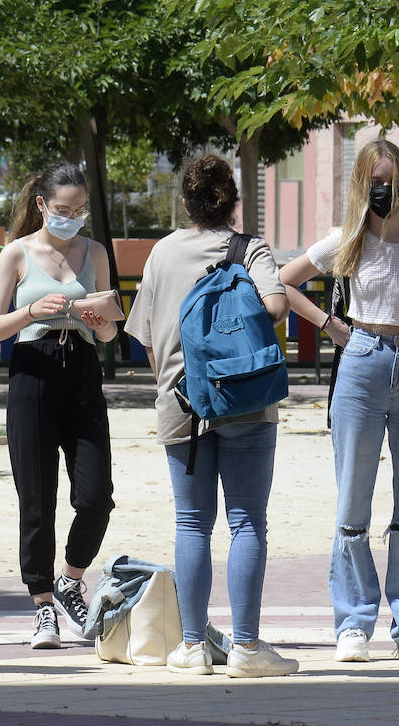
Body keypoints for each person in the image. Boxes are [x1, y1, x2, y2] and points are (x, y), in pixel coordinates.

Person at [278, 137, 399, 665]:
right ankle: (353, 623)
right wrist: (327, 325)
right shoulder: (345, 239)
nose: (384, 190)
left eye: (391, 180)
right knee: (352, 500)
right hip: (361, 364)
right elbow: (279, 282)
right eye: (375, 181)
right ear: (362, 185)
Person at [123, 153, 299, 678]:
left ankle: (193, 646)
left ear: (185, 202)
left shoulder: (163, 252)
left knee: (191, 523)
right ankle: (245, 646)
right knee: (247, 523)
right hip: (246, 397)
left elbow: (147, 336)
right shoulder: (252, 249)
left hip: (181, 404)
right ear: (234, 202)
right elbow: (276, 306)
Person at [0, 163, 118, 649]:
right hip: (32, 367)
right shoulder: (17, 253)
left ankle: (70, 578)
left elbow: (110, 330)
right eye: (63, 210)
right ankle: (42, 604)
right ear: (41, 205)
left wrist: (99, 321)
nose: (72, 218)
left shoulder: (95, 251)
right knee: (36, 498)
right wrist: (28, 312)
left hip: (81, 367)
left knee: (96, 495)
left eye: (79, 211)